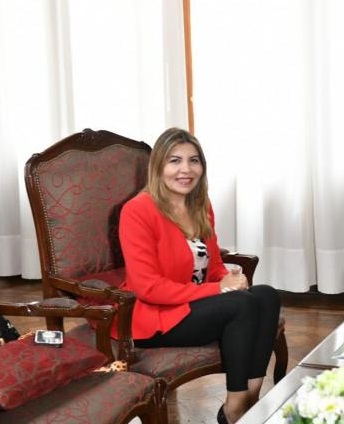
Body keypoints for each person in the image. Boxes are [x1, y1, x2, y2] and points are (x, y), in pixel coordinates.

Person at [117, 127, 280, 424]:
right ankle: (234, 409)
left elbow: (213, 265)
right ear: (158, 166)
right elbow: (147, 288)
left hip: (193, 306)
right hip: (157, 316)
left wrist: (230, 278)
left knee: (266, 295)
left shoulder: (200, 204)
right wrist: (220, 290)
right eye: (175, 161)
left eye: (194, 161)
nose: (186, 169)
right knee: (242, 304)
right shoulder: (137, 210)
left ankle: (250, 398)